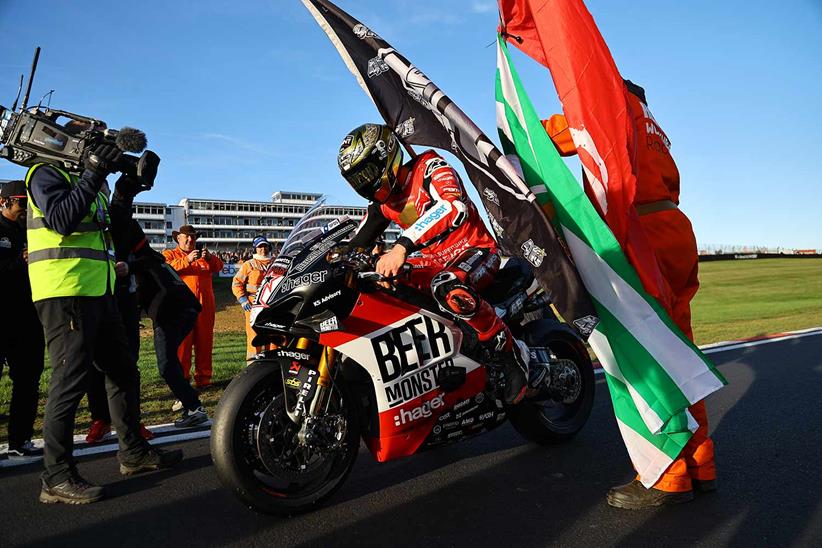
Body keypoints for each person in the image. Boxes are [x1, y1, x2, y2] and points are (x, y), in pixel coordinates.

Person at [544, 80, 715, 509]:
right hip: (674, 228)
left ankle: (666, 474)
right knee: (678, 352)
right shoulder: (651, 121)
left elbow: (551, 135)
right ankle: (701, 462)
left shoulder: (608, 106)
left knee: (641, 354)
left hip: (641, 234)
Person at [25, 144, 182, 504]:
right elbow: (61, 220)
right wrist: (95, 173)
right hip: (64, 291)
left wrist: (125, 193)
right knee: (70, 379)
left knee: (124, 371)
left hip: (99, 291)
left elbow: (113, 231)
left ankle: (133, 452)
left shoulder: (87, 182)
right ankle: (55, 476)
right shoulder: (44, 172)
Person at [340, 123, 533, 404]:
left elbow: (453, 206)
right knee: (379, 287)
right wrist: (337, 258)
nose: (365, 183)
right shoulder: (383, 205)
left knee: (448, 285)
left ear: (387, 157)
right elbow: (356, 241)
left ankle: (510, 355)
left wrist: (402, 246)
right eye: (356, 179)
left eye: (367, 173)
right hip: (432, 262)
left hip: (474, 251)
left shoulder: (431, 167)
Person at [107, 178, 208, 428]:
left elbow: (151, 260)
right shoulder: (139, 247)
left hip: (173, 309)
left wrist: (129, 267)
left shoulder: (136, 244)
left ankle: (194, 408)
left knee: (165, 365)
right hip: (176, 307)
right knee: (168, 363)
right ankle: (192, 405)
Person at [0, 180, 45, 460]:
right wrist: (21, 260)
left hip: (28, 317)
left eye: (28, 203)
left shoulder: (32, 231)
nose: (25, 208)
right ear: (3, 202)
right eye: (20, 202)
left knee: (28, 380)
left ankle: (20, 439)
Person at [163, 225, 223, 388]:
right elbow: (166, 270)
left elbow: (219, 267)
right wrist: (187, 260)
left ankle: (204, 380)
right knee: (183, 346)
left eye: (193, 237)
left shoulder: (203, 256)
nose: (190, 239)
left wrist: (210, 258)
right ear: (178, 238)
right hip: (181, 309)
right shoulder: (169, 254)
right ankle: (182, 380)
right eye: (186, 236)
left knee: (205, 344)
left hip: (205, 309)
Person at [231, 236, 277, 360]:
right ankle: (252, 366)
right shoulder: (249, 264)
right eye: (260, 247)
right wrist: (242, 299)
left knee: (272, 334)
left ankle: (272, 364)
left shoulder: (276, 263)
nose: (263, 249)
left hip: (273, 304)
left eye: (265, 246)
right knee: (254, 335)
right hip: (253, 304)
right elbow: (236, 282)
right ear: (255, 249)